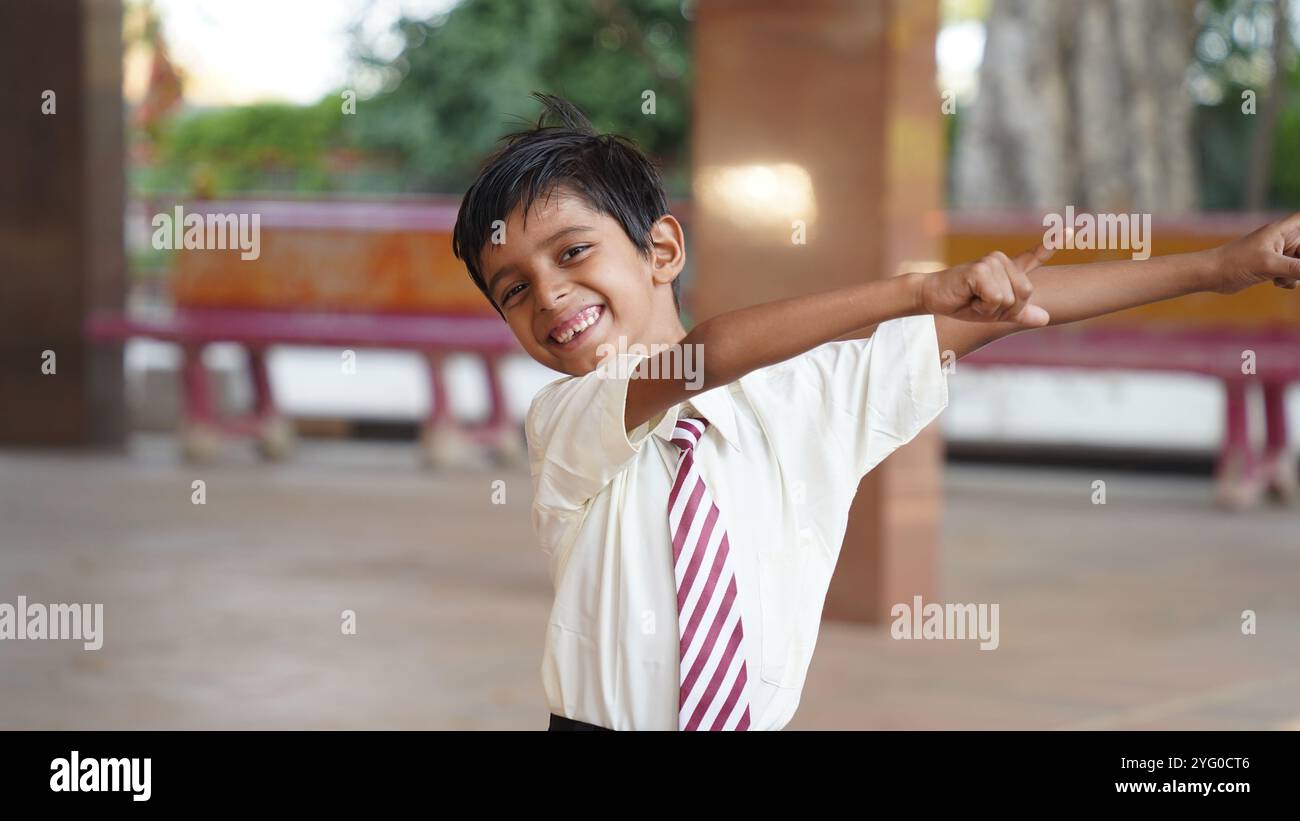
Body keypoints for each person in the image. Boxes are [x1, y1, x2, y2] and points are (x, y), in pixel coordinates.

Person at [451, 93, 1300, 731]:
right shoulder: (567, 419)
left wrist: (1222, 267)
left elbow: (1003, 309)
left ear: (662, 248)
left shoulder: (806, 399)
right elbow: (702, 355)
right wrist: (913, 289)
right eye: (515, 288)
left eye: (571, 251)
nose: (550, 292)